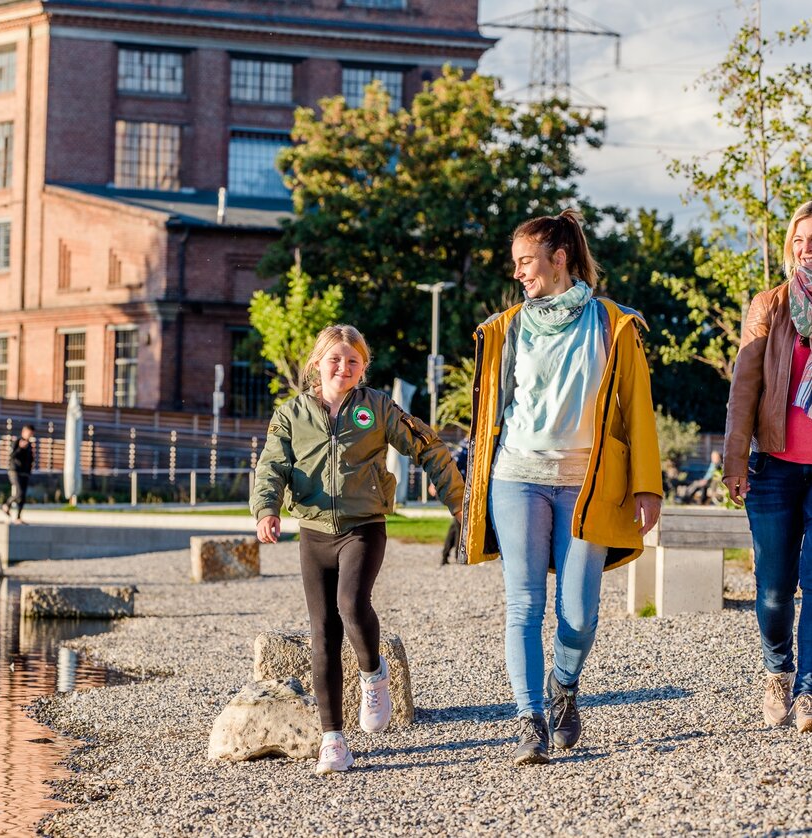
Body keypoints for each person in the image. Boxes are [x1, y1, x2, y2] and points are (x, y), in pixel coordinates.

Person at [459, 208, 663, 766]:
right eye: (516, 264)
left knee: (580, 612)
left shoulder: (613, 323)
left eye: (527, 262)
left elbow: (637, 411)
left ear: (560, 258)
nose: (519, 273)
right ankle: (528, 720)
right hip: (516, 477)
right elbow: (489, 412)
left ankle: (564, 688)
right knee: (523, 604)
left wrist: (648, 485)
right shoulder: (506, 328)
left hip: (587, 483)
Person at [250, 325, 464, 775]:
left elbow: (427, 446)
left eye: (353, 361)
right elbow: (271, 465)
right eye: (335, 359)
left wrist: (459, 503)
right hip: (313, 532)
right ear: (316, 363)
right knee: (322, 631)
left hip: (364, 526)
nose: (343, 368)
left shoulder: (377, 408)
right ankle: (333, 740)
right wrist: (266, 509)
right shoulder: (290, 414)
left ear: (363, 367)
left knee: (351, 603)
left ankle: (373, 674)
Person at [723, 200, 812, 735]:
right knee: (775, 590)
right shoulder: (771, 306)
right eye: (800, 240)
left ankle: (808, 692)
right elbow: (744, 390)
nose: (807, 249)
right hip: (774, 468)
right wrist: (735, 460)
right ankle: (777, 672)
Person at [440, 437, 468, 565]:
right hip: (460, 489)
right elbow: (452, 465)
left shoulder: (465, 445)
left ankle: (446, 555)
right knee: (459, 523)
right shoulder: (465, 447)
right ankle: (458, 555)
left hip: (460, 489)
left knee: (455, 524)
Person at [2, 424, 35, 523]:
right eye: (29, 433)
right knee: (19, 493)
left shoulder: (29, 445)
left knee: (23, 496)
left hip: (25, 473)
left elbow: (30, 459)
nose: (30, 435)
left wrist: (29, 471)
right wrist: (20, 448)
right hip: (15, 471)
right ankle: (7, 505)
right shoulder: (17, 442)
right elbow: (12, 456)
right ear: (24, 432)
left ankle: (18, 517)